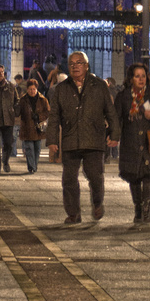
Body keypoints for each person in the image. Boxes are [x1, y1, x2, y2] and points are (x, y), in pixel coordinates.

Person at [47, 51, 120, 224]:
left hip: (94, 138)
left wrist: (114, 134)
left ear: (86, 66)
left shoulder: (100, 86)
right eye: (72, 64)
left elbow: (110, 112)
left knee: (95, 175)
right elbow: (54, 116)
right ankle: (73, 213)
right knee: (69, 178)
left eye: (79, 63)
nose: (75, 66)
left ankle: (97, 203)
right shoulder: (62, 88)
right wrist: (51, 140)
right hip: (71, 139)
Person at [114, 62, 150, 228]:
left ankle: (146, 210)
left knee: (149, 175)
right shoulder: (123, 97)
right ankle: (137, 208)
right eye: (137, 76)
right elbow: (117, 118)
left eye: (143, 76)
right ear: (131, 79)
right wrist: (114, 136)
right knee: (134, 177)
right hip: (131, 142)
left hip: (149, 141)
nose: (141, 79)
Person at [17, 77, 50, 173]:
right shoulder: (23, 100)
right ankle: (32, 167)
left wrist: (39, 116)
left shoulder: (42, 99)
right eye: (30, 89)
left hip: (38, 128)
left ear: (37, 89)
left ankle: (34, 165)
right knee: (29, 149)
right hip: (27, 128)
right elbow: (18, 112)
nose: (32, 91)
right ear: (27, 89)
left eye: (34, 89)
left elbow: (48, 112)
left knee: (37, 149)